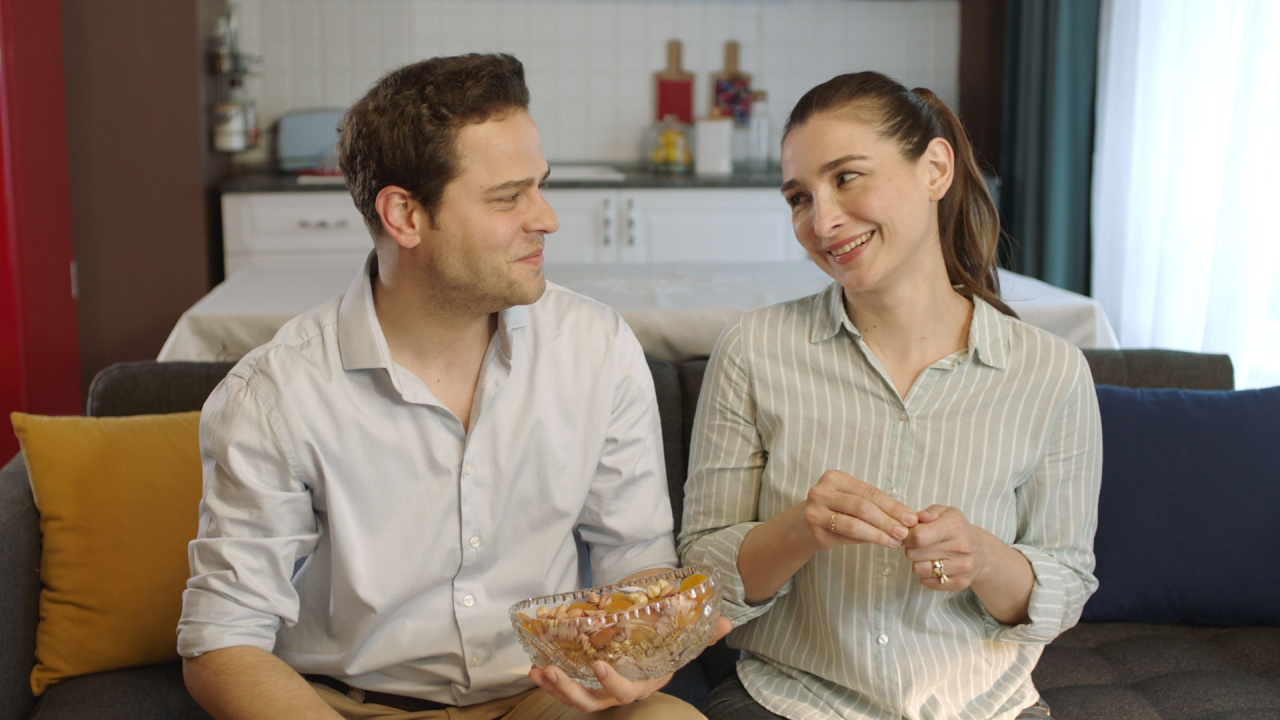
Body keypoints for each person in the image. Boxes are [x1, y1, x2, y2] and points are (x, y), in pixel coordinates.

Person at [178, 53, 725, 720]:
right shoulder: (275, 394)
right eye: (508, 197)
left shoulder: (596, 348)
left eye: (540, 186)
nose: (546, 218)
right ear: (405, 216)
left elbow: (634, 558)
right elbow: (221, 642)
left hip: (542, 698)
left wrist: (644, 655)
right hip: (349, 706)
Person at [677, 71, 1103, 720]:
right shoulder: (753, 352)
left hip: (987, 708)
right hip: (789, 702)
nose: (821, 221)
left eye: (847, 177)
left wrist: (984, 558)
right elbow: (701, 584)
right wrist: (800, 529)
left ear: (935, 170)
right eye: (798, 197)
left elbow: (1064, 589)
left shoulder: (1052, 373)